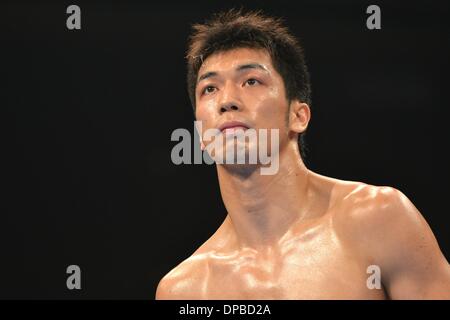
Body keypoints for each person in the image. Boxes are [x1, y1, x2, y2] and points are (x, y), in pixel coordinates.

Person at [156, 9, 450, 299]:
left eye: (251, 81)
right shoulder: (186, 289)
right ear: (201, 135)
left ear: (298, 115)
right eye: (209, 88)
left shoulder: (377, 219)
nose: (227, 101)